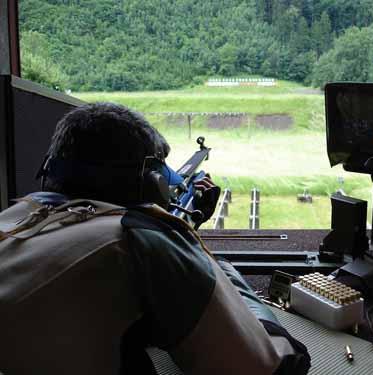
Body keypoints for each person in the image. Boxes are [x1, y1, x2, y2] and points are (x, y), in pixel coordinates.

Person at [0, 103, 310, 375]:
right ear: (153, 182)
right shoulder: (132, 236)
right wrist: (212, 266)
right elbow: (263, 367)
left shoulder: (11, 217)